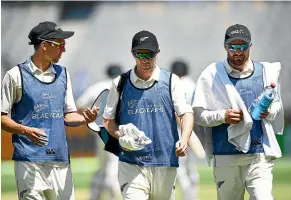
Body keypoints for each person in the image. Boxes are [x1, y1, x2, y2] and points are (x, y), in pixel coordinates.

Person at [1, 21, 99, 200]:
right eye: (60, 45)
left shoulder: (64, 74)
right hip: (28, 160)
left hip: (60, 160)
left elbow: (69, 115)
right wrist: (25, 130)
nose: (64, 50)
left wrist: (85, 119)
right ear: (44, 45)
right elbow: (2, 118)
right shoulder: (14, 76)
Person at [193, 24, 284, 200]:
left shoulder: (266, 71)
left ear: (250, 46)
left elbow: (277, 105)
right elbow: (198, 114)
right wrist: (222, 116)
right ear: (225, 47)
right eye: (233, 47)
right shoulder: (211, 74)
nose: (238, 52)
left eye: (243, 47)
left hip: (259, 156)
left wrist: (270, 111)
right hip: (225, 156)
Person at [103, 30, 194, 200]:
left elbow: (186, 113)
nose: (145, 59)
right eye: (140, 54)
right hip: (131, 162)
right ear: (133, 53)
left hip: (165, 161)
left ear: (157, 52)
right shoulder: (120, 83)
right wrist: (120, 137)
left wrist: (184, 138)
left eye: (150, 54)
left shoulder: (172, 80)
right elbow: (108, 120)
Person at [76, 64, 123, 200]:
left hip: (100, 131)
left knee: (103, 167)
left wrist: (89, 122)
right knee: (113, 166)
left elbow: (80, 105)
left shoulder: (97, 86)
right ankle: (112, 196)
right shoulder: (125, 87)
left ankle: (94, 196)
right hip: (117, 131)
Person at [171, 60, 205, 200]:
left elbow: (178, 111)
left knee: (181, 169)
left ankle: (187, 197)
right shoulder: (193, 84)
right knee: (191, 167)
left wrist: (185, 133)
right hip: (196, 128)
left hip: (181, 130)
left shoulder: (175, 85)